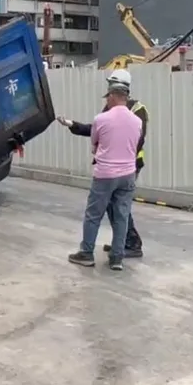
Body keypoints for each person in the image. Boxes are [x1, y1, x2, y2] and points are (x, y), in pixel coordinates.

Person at [59, 69, 149, 259]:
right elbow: (97, 129)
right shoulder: (111, 109)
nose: (107, 92)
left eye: (110, 86)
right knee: (115, 206)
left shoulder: (138, 110)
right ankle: (120, 245)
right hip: (117, 166)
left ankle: (131, 243)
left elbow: (135, 140)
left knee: (118, 208)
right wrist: (73, 125)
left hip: (128, 165)